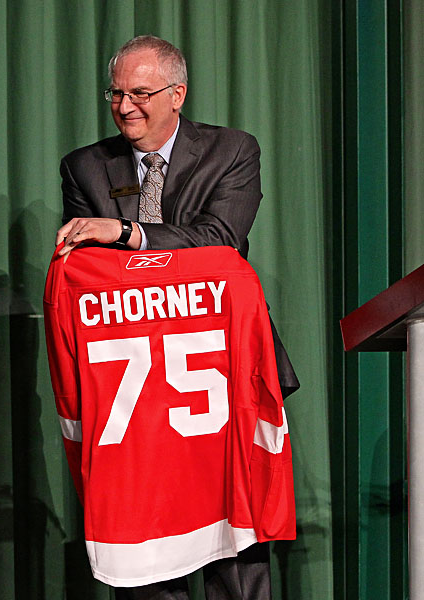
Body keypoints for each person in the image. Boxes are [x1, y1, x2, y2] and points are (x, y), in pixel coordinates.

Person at [53, 35, 299, 599]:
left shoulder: (232, 150)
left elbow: (221, 240)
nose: (124, 106)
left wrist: (127, 233)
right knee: (145, 550)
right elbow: (87, 269)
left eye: (140, 92)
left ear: (177, 94)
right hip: (133, 389)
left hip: (220, 376)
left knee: (234, 545)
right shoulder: (86, 167)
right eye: (115, 93)